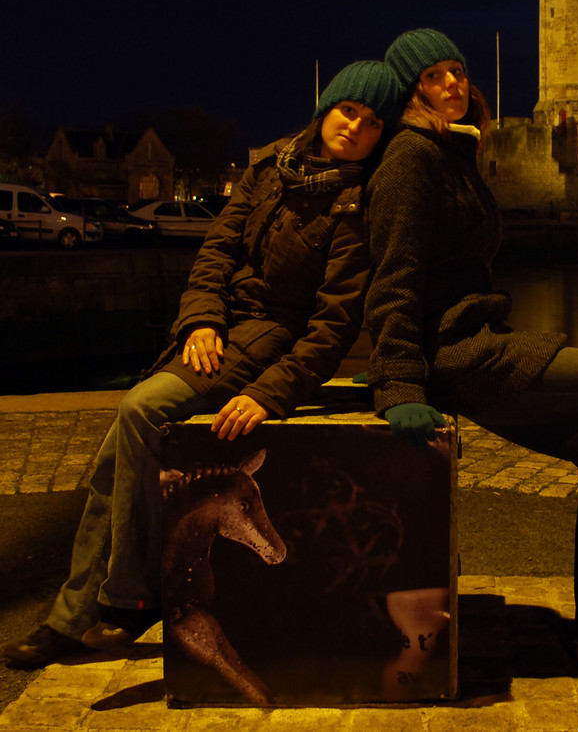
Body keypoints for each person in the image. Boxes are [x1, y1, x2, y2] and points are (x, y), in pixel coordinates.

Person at [2, 60, 408, 669]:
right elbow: (217, 249)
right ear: (327, 108)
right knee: (119, 455)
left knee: (139, 408)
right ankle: (83, 612)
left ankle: (126, 597)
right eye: (349, 110)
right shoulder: (270, 168)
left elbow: (332, 324)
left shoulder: (356, 203)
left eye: (373, 122)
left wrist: (270, 394)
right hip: (219, 331)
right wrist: (200, 318)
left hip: (266, 342)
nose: (356, 126)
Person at [363, 29, 578, 680]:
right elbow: (393, 281)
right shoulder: (409, 160)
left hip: (483, 342)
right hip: (460, 356)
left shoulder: (450, 155)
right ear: (411, 91)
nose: (453, 84)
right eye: (434, 76)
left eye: (457, 71)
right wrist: (401, 390)